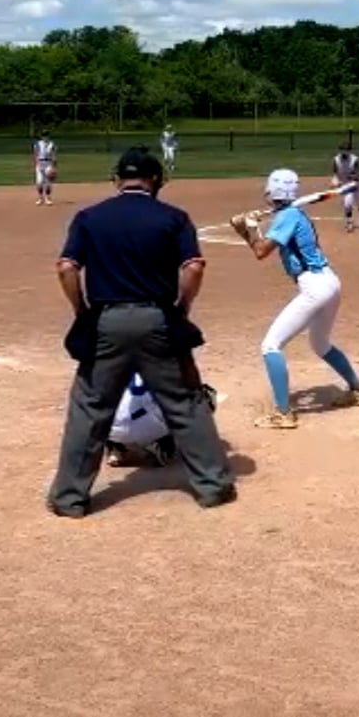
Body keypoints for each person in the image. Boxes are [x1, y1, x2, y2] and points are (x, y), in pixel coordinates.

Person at [47, 147, 235, 516]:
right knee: (184, 402)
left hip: (106, 319)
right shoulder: (173, 217)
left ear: (117, 179)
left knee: (90, 407)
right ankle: (212, 486)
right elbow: (194, 267)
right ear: (156, 180)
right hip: (158, 318)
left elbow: (66, 267)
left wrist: (82, 311)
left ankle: (70, 497)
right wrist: (181, 308)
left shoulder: (89, 217)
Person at [228, 168, 359, 430]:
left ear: (272, 191)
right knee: (320, 344)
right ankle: (358, 391)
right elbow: (260, 246)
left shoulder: (287, 216)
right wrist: (247, 230)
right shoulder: (291, 214)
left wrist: (250, 229)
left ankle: (283, 413)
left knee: (270, 345)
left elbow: (261, 251)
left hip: (315, 287)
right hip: (328, 282)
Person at [106, 373, 227, 469]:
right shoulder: (161, 359)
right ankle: (162, 443)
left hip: (107, 428)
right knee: (202, 396)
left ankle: (114, 446)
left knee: (105, 402)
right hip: (149, 427)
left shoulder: (110, 357)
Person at [331, 141, 359, 232]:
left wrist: (353, 177)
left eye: (345, 150)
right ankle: (349, 223)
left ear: (349, 151)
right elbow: (335, 172)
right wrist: (335, 180)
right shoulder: (336, 160)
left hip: (357, 184)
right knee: (347, 203)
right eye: (342, 150)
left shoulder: (354, 159)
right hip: (346, 185)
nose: (343, 152)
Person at [33, 131, 58, 206]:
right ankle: (40, 198)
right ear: (41, 136)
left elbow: (54, 155)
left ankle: (48, 198)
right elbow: (35, 154)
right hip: (40, 164)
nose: (45, 137)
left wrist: (54, 167)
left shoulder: (52, 144)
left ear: (48, 136)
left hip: (48, 164)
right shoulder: (37, 144)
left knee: (48, 183)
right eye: (44, 135)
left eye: (46, 135)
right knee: (39, 182)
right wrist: (36, 164)